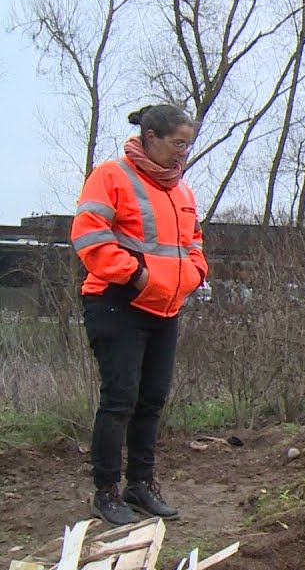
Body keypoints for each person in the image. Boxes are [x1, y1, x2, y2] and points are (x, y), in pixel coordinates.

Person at [71, 104, 207, 525]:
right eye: (178, 143)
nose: (184, 153)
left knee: (151, 401)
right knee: (119, 401)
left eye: (188, 144)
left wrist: (197, 272)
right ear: (151, 137)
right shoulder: (112, 176)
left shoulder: (181, 190)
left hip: (166, 309)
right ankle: (106, 491)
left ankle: (141, 485)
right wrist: (139, 278)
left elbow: (194, 242)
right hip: (118, 304)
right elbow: (90, 236)